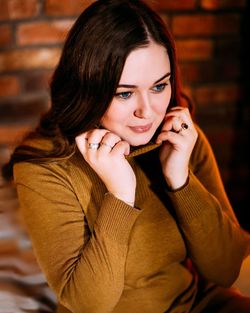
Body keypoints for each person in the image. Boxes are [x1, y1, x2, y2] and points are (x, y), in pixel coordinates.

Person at [2, 0, 250, 312]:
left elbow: (227, 269)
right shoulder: (46, 166)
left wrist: (180, 180)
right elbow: (89, 304)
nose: (147, 112)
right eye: (124, 93)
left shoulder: (179, 136)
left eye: (159, 86)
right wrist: (119, 196)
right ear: (88, 87)